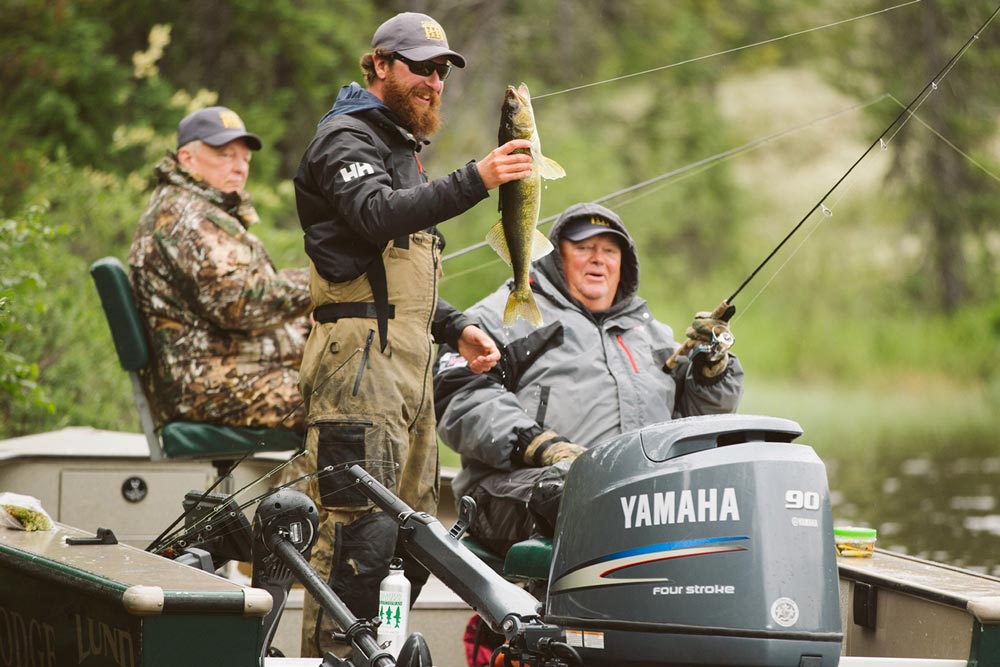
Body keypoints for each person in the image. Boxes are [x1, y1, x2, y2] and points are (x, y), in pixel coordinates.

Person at [292, 12, 533, 658]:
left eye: (441, 71)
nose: (433, 82)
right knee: (356, 540)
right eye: (419, 67)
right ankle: (333, 659)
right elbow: (376, 216)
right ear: (379, 64)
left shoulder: (400, 150)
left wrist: (456, 327)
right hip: (357, 371)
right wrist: (479, 179)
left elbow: (398, 275)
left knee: (412, 539)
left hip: (409, 368)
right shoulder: (344, 138)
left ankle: (377, 654)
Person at [434, 202, 745, 556]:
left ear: (623, 263)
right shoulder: (506, 313)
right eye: (584, 248)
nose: (598, 259)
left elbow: (701, 422)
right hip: (514, 489)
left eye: (610, 251)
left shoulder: (653, 335)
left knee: (731, 496)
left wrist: (712, 366)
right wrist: (541, 446)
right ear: (556, 256)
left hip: (640, 495)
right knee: (586, 494)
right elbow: (460, 394)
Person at [129, 106, 312, 433]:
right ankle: (318, 471)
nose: (239, 167)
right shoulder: (185, 218)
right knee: (343, 401)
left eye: (245, 159)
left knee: (352, 379)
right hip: (206, 385)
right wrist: (323, 283)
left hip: (229, 370)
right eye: (226, 155)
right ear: (187, 158)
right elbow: (242, 304)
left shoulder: (197, 209)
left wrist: (311, 319)